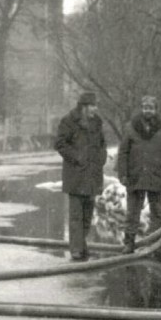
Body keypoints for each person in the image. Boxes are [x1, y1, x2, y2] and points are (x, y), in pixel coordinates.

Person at [116, 95, 161, 253]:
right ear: (141, 108)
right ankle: (129, 243)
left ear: (156, 110)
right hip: (135, 176)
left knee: (157, 212)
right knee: (133, 212)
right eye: (145, 107)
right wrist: (122, 173)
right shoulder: (130, 127)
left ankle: (156, 244)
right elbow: (123, 152)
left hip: (157, 176)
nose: (148, 111)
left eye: (151, 108)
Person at [54, 91, 107, 261]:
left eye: (95, 105)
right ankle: (76, 249)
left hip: (92, 174)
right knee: (76, 215)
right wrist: (77, 157)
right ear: (83, 107)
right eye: (91, 106)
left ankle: (81, 244)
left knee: (87, 215)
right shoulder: (68, 121)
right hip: (75, 175)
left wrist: (101, 158)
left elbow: (102, 144)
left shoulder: (97, 122)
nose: (94, 109)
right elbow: (60, 144)